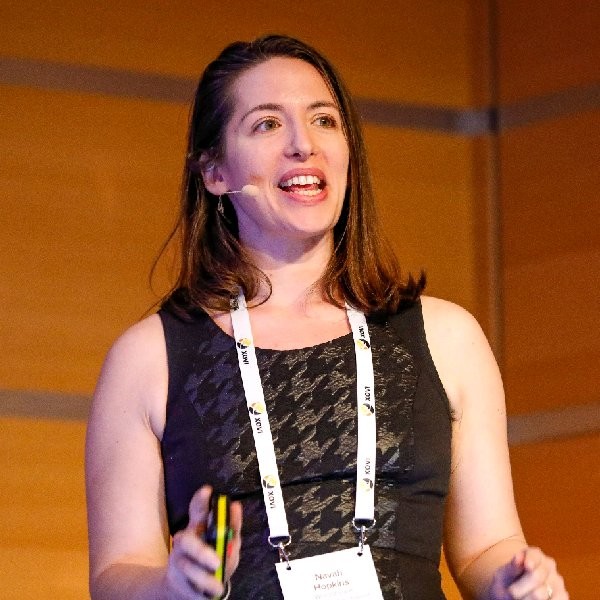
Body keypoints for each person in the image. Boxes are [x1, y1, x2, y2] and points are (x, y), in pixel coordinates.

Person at [85, 35, 568, 600]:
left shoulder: (448, 337)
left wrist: (516, 582)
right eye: (267, 124)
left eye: (323, 120)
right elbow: (117, 571)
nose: (303, 145)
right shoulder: (148, 359)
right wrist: (173, 586)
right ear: (214, 171)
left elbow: (488, 546)